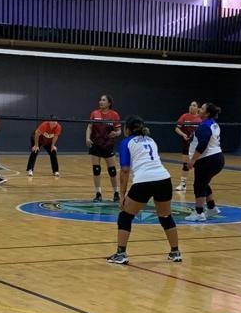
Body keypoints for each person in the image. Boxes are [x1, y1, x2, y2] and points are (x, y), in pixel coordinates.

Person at [106, 116, 181, 266]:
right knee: (165, 216)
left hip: (144, 181)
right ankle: (175, 252)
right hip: (164, 179)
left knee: (125, 217)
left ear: (127, 129)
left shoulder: (126, 142)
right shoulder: (151, 140)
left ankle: (121, 254)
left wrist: (122, 195)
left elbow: (125, 170)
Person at [185, 102, 224, 222]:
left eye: (202, 109)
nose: (199, 110)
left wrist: (192, 160)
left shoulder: (205, 126)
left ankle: (199, 213)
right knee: (204, 182)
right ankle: (212, 208)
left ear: (207, 114)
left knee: (199, 185)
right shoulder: (213, 124)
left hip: (208, 160)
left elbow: (202, 145)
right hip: (216, 158)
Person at [86, 94, 121, 202]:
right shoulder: (94, 113)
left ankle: (116, 193)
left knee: (112, 170)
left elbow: (119, 131)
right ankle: (98, 194)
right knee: (96, 170)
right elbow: (89, 127)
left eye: (103, 100)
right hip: (96, 144)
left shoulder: (114, 115)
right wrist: (87, 138)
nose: (100, 102)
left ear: (109, 103)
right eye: (100, 100)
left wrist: (116, 133)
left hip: (108, 145)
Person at [174, 100, 201, 191]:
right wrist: (183, 134)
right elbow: (177, 128)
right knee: (186, 164)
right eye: (190, 105)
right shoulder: (184, 116)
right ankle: (182, 184)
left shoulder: (201, 119)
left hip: (198, 145)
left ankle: (201, 183)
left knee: (199, 165)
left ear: (198, 108)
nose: (191, 107)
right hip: (186, 144)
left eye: (194, 105)